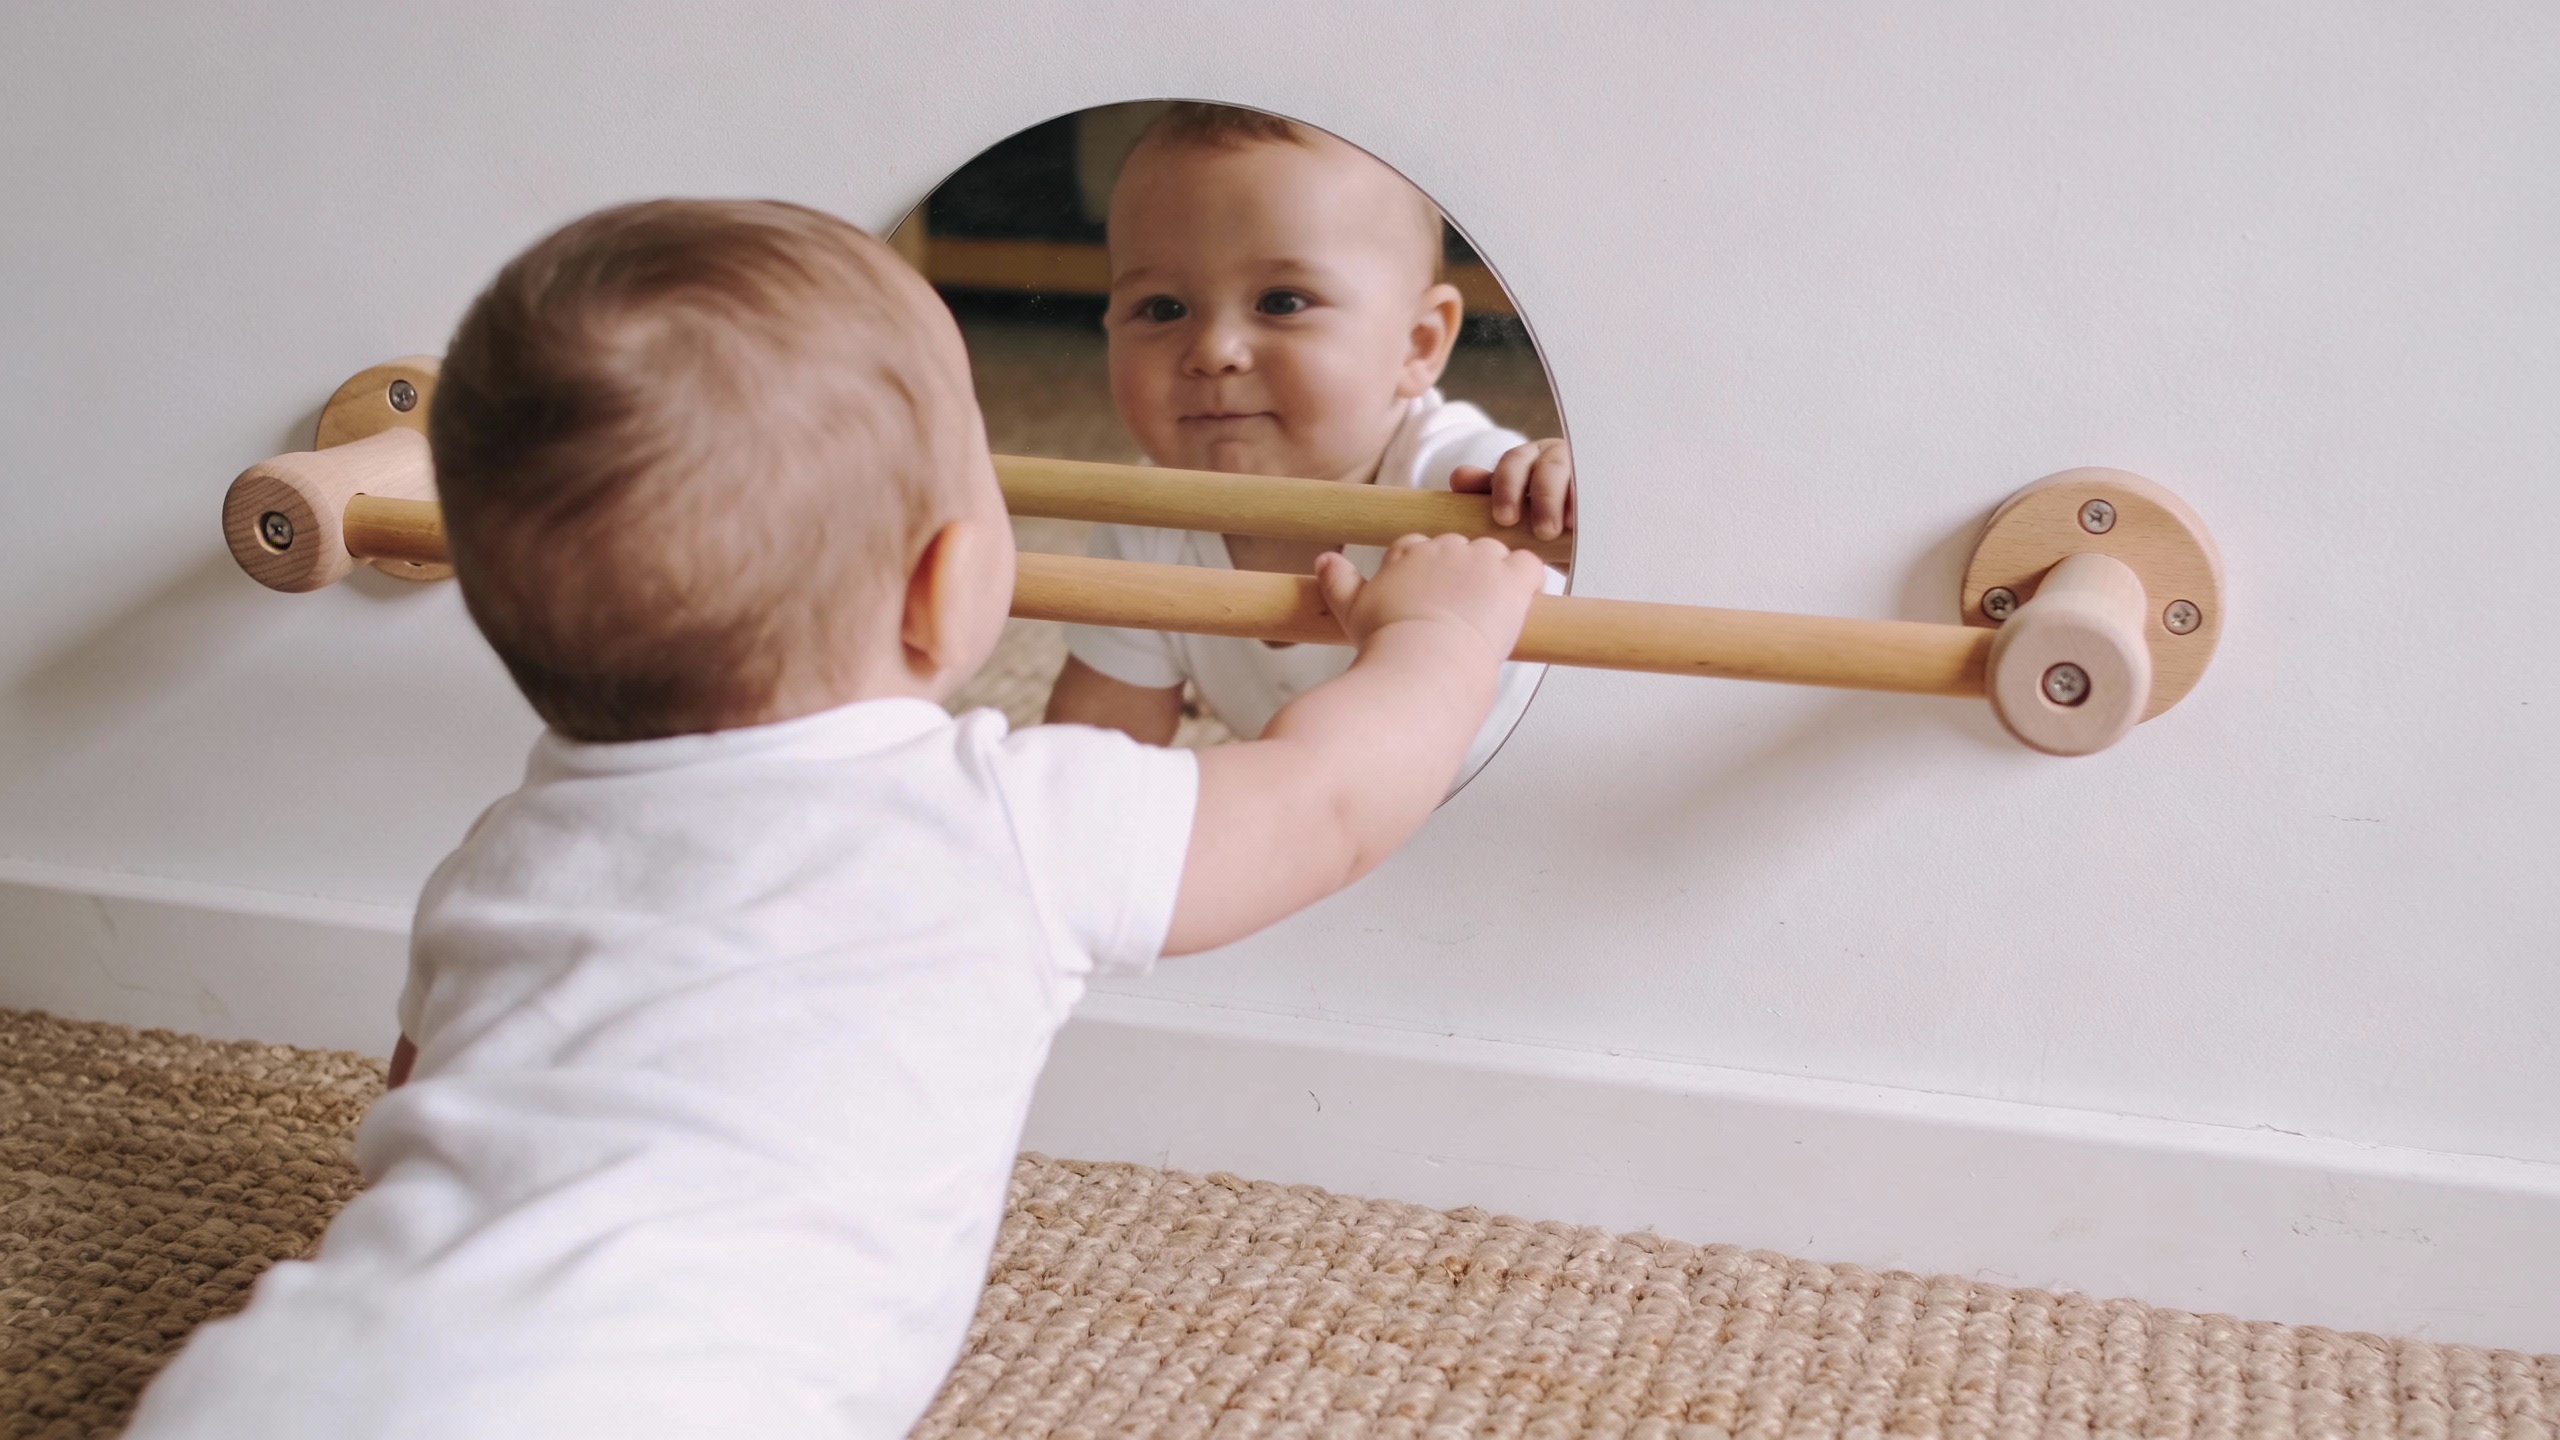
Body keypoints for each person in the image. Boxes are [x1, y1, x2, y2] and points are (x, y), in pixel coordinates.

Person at [121, 199, 1547, 1439]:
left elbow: (422, 1104)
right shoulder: (1005, 819)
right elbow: (1333, 801)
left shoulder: (498, 855)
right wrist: (1444, 638)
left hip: (266, 1384)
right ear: (944, 592)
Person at [1044, 104, 1575, 784]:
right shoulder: (1149, 520)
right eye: (1163, 308)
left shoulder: (1461, 481)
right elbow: (1090, 753)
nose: (1214, 351)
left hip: (1524, 817)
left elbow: (1587, 541)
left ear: (1419, 343)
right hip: (1326, 838)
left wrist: (1557, 481)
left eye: (1282, 302)